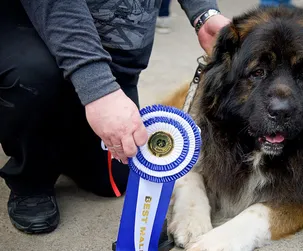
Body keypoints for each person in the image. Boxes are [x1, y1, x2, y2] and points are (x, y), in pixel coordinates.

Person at [0, 0, 230, 235]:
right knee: (32, 76)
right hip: (36, 31)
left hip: (119, 58)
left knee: (114, 180)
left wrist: (203, 13)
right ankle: (31, 179)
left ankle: (59, 134)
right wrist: (97, 89)